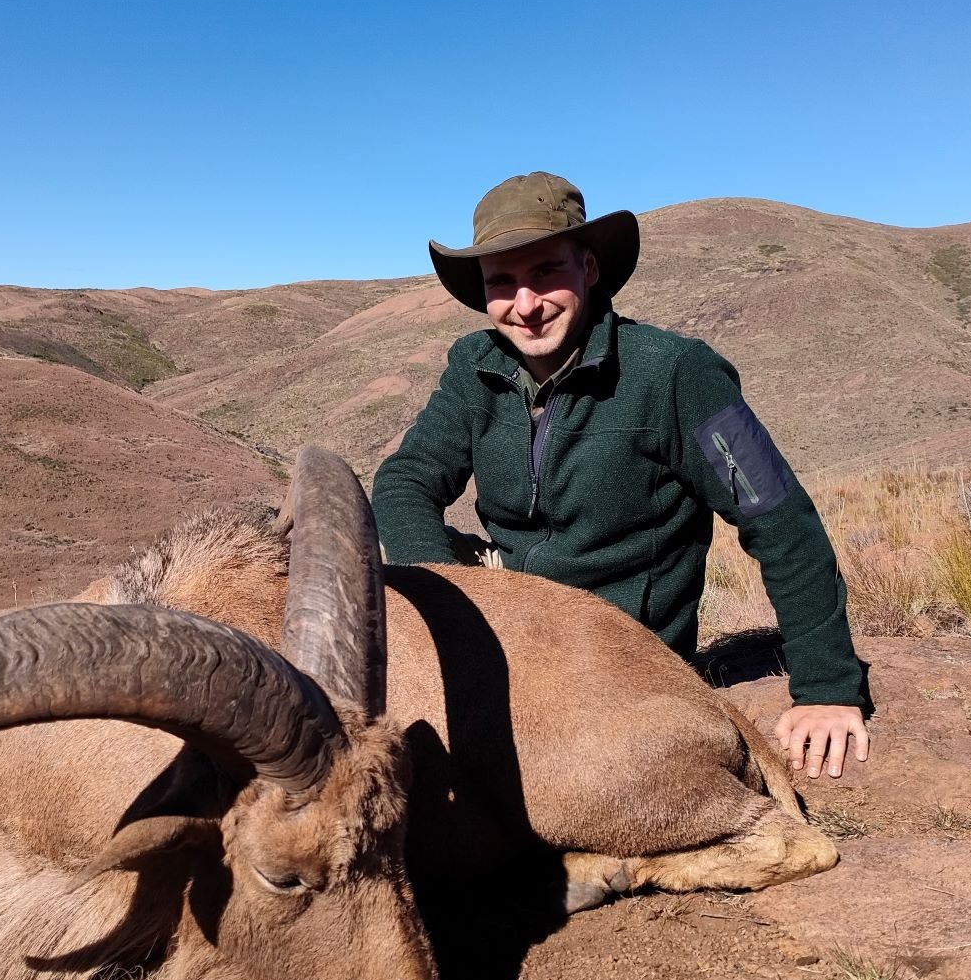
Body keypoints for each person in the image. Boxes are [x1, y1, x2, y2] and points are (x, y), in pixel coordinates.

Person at [371, 172, 872, 778]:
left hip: (619, 664)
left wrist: (826, 687)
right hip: (506, 638)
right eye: (501, 282)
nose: (524, 306)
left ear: (589, 267)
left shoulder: (676, 375)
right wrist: (453, 597)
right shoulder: (473, 369)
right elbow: (405, 482)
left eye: (545, 273)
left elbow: (778, 518)